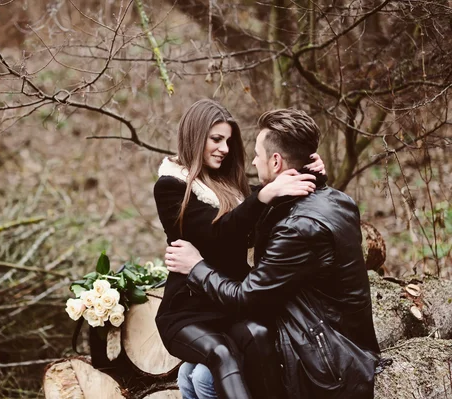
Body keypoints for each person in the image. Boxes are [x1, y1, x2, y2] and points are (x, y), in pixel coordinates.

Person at [164, 108, 381, 399]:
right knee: (187, 372)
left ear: (276, 161)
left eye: (257, 154)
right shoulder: (336, 200)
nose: (250, 160)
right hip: (329, 336)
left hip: (326, 356)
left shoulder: (298, 227)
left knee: (203, 376)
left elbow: (246, 298)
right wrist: (311, 175)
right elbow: (246, 212)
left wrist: (196, 266)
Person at [154, 100, 325, 399]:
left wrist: (310, 174)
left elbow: (262, 225)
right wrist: (263, 196)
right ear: (195, 136)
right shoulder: (171, 186)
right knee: (220, 356)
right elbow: (214, 235)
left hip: (231, 301)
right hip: (188, 312)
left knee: (258, 337)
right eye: (216, 139)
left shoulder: (230, 184)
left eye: (229, 141)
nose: (224, 148)